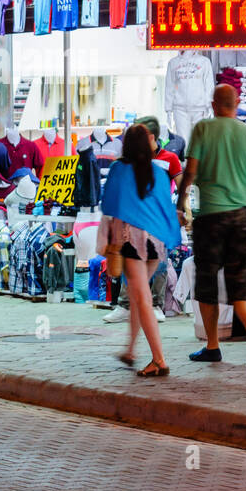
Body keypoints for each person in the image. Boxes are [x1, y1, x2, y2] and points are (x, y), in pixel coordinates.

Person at [177, 84, 246, 367]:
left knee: (207, 282)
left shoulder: (202, 129)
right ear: (237, 103)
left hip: (211, 217)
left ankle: (212, 345)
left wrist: (180, 204)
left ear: (213, 104)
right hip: (242, 217)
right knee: (239, 280)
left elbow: (190, 172)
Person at [98, 123, 180, 377]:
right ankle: (131, 350)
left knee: (142, 298)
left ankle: (159, 359)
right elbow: (166, 207)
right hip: (156, 243)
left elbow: (109, 205)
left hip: (132, 241)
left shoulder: (118, 170)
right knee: (137, 295)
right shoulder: (157, 171)